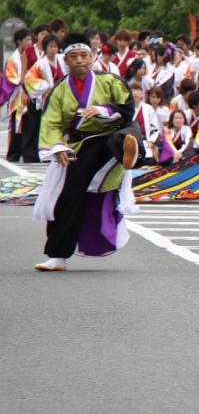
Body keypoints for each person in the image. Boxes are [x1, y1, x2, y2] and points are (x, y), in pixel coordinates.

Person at [33, 33, 144, 271]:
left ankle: (130, 156)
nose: (80, 61)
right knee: (69, 197)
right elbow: (50, 124)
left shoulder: (110, 81)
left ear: (93, 57)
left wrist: (103, 109)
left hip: (111, 137)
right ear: (66, 61)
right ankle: (57, 256)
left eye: (84, 55)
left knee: (126, 134)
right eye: (73, 57)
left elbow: (127, 108)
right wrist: (59, 148)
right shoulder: (60, 90)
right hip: (80, 146)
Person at [23, 35, 67, 144]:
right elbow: (28, 80)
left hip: (63, 96)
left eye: (55, 46)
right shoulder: (40, 64)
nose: (53, 49)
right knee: (49, 124)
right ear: (45, 48)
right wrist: (46, 85)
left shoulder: (62, 59)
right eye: (51, 46)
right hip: (48, 97)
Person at [3, 28, 37, 162]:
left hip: (29, 93)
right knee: (17, 124)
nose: (30, 42)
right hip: (18, 96)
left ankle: (25, 151)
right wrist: (24, 82)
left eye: (30, 39)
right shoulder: (13, 58)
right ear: (19, 41)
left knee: (28, 125)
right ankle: (14, 153)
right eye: (27, 39)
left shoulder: (30, 56)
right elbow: (11, 78)